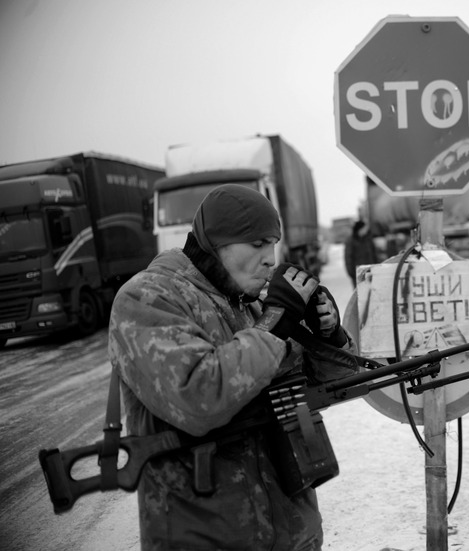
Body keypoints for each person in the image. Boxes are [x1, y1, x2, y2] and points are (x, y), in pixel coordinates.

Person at [108, 184, 358, 551]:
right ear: (217, 243)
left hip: (291, 534)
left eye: (273, 244)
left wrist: (328, 337)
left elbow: (328, 385)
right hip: (209, 538)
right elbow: (200, 397)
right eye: (257, 244)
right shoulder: (148, 298)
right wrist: (273, 324)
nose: (271, 258)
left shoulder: (249, 305)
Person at [343, 219, 378, 288]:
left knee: (371, 294)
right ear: (360, 229)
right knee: (360, 295)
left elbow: (374, 254)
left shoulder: (368, 239)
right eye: (364, 228)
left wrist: (376, 267)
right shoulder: (351, 241)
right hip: (358, 274)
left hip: (370, 272)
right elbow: (348, 258)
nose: (366, 230)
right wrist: (352, 273)